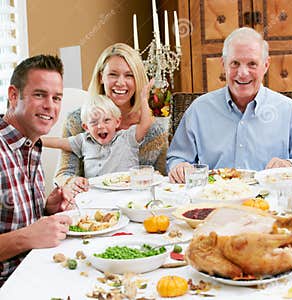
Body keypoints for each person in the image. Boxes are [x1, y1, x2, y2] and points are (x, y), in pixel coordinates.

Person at [167, 27, 292, 183]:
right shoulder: (199, 110)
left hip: (272, 205)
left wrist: (290, 165)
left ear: (266, 65)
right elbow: (176, 158)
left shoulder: (288, 110)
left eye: (252, 64)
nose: (243, 73)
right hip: (214, 201)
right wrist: (179, 166)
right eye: (235, 63)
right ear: (223, 64)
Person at [54, 43, 168, 194]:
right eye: (113, 74)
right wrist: (72, 182)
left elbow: (162, 180)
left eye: (129, 75)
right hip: (90, 205)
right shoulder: (76, 121)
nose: (120, 82)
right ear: (101, 77)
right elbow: (63, 174)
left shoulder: (153, 131)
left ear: (138, 80)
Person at [0, 55, 73, 286]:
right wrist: (27, 237)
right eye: (40, 95)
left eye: (57, 98)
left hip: (39, 271)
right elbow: (26, 234)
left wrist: (45, 209)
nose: (50, 106)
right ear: (14, 95)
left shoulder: (31, 143)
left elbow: (11, 219)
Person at [42, 82, 152, 178]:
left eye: (107, 120)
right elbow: (60, 142)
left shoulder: (127, 138)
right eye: (94, 122)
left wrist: (143, 99)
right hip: (95, 195)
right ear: (86, 127)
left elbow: (145, 124)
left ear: (117, 122)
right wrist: (36, 140)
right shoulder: (84, 140)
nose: (100, 126)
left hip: (127, 192)